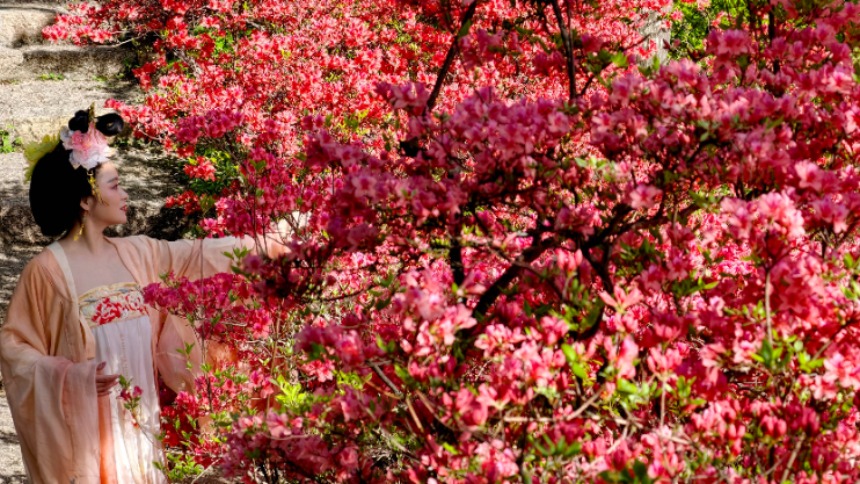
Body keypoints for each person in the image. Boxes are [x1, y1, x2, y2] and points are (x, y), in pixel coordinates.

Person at [0, 108, 263, 483]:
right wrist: (71, 376)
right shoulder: (46, 272)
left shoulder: (138, 254)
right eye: (115, 185)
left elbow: (197, 254)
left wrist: (272, 247)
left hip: (141, 436)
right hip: (87, 443)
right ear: (86, 201)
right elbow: (14, 348)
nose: (125, 195)